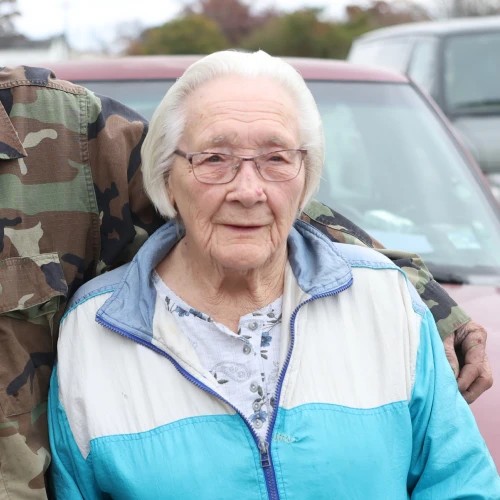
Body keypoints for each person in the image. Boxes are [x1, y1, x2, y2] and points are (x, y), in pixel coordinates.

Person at [47, 50, 500, 498]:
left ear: (306, 177)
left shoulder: (387, 301)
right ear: (167, 178)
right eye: (214, 159)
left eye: (277, 158)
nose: (248, 191)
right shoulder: (93, 330)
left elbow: (461, 486)